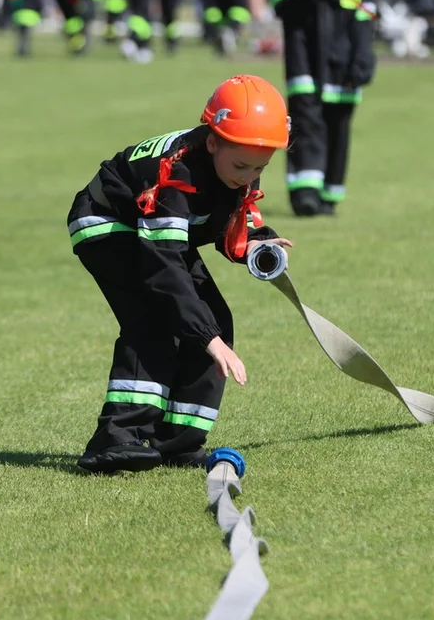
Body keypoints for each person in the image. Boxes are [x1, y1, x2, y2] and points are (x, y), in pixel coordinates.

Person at [66, 74, 294, 474]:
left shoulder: (237, 161)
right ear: (212, 141)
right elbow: (163, 268)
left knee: (216, 321)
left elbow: (228, 219)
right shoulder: (179, 172)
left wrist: (256, 242)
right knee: (154, 320)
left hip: (160, 235)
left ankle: (178, 442)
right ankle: (115, 441)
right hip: (107, 222)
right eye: (241, 165)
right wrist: (207, 339)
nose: (248, 175)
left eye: (260, 167)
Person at [273, 0, 376, 216]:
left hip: (344, 58)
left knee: (338, 125)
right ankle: (305, 193)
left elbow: (366, 14)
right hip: (305, 56)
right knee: (307, 121)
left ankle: (330, 194)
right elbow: (281, 4)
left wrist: (364, 56)